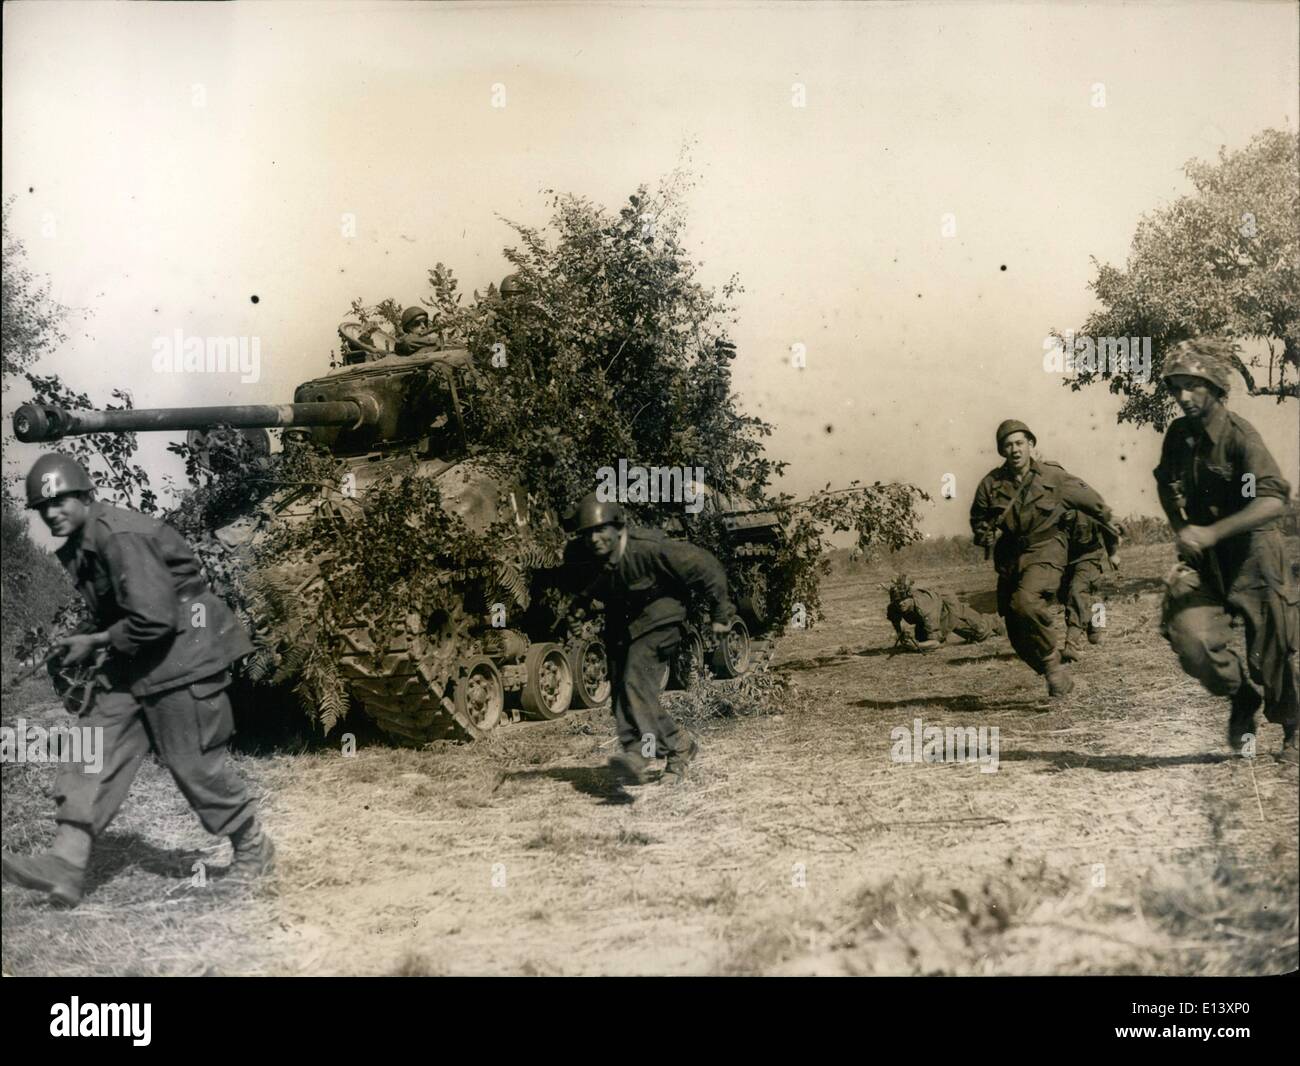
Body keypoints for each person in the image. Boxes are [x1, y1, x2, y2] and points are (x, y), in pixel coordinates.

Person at [1, 454, 273, 906]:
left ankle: (252, 847)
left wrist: (98, 641)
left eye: (60, 501)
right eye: (42, 507)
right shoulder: (83, 541)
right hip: (139, 656)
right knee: (94, 744)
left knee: (191, 763)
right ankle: (65, 863)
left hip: (183, 651)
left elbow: (154, 618)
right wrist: (88, 639)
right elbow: (124, 612)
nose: (51, 513)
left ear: (85, 496)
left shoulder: (119, 535)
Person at [1153, 338, 1298, 759]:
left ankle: (1292, 728)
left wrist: (1212, 533)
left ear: (1215, 388)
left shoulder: (1239, 438)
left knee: (1271, 653)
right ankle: (1241, 698)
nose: (1182, 397)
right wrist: (1182, 527)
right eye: (1176, 387)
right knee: (1191, 640)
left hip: (1254, 557)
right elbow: (1165, 481)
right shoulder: (1179, 435)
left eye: (1192, 386)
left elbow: (1273, 500)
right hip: (1205, 561)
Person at [569, 492, 735, 786]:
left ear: (618, 527)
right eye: (588, 534)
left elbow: (708, 567)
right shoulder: (597, 558)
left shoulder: (649, 549)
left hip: (662, 621)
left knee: (636, 681)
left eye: (600, 530)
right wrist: (581, 605)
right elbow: (599, 584)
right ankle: (639, 753)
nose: (594, 539)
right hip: (628, 627)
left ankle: (672, 749)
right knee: (622, 689)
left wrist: (720, 615)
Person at [970, 419, 1115, 698]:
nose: (1014, 450)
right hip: (1011, 557)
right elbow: (979, 519)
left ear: (1031, 445)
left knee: (1025, 602)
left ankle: (1051, 662)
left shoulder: (1053, 477)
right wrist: (982, 534)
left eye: (1020, 443)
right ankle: (1053, 670)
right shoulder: (991, 484)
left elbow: (1092, 501)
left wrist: (1110, 524)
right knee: (1015, 629)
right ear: (1002, 450)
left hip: (1047, 548)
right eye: (1008, 445)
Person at [1058, 510, 1122, 662]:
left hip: (1089, 557)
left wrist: (1112, 554)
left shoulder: (1087, 507)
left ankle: (1071, 644)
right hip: (1066, 561)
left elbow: (1108, 527)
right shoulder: (1053, 508)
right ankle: (1097, 614)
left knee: (1077, 593)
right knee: (1064, 595)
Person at [886, 574, 1003, 652]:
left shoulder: (925, 606)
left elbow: (935, 642)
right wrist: (901, 635)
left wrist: (918, 646)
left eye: (903, 600)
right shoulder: (894, 606)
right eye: (897, 601)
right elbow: (895, 620)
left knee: (980, 634)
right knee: (922, 641)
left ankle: (992, 621)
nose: (900, 603)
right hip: (926, 618)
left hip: (948, 610)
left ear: (911, 597)